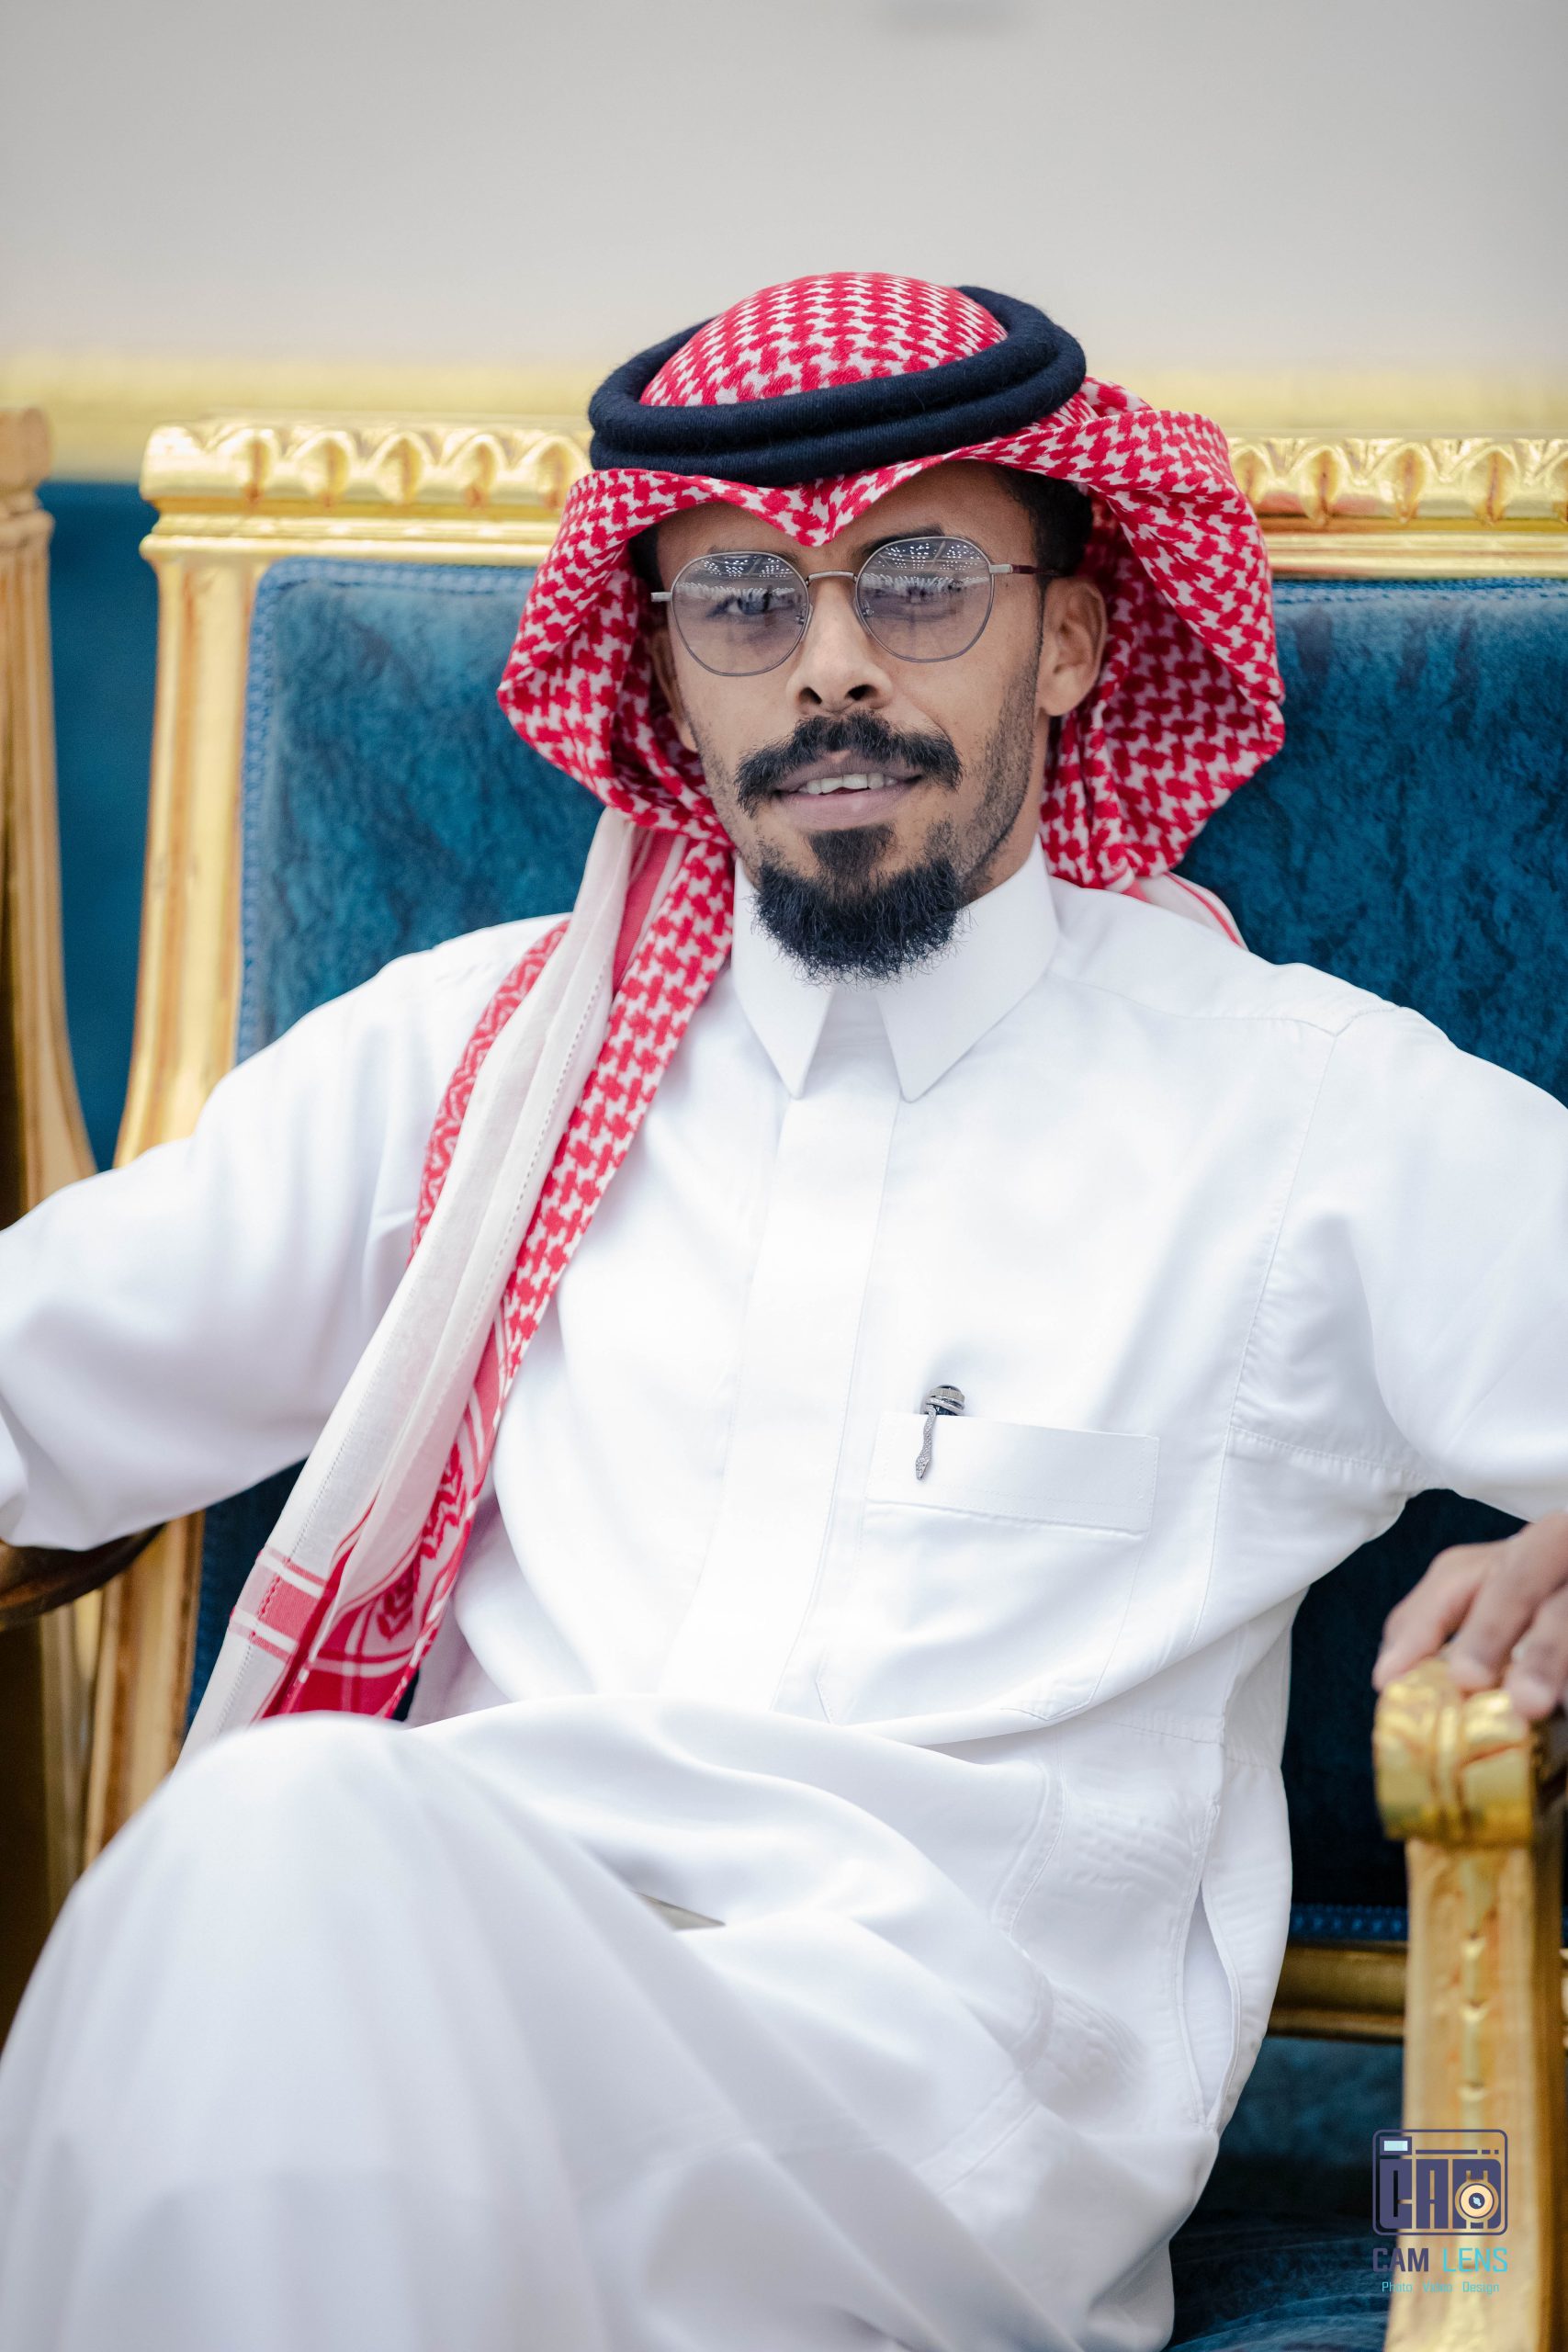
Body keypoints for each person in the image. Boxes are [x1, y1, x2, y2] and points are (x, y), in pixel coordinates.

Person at [0, 271, 1564, 2352]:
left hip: (936, 2116)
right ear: (666, 674)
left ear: (1073, 639)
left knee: (265, 1866)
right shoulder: (479, 1069)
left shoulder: (1295, 1119)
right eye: (742, 599)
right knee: (243, 1917)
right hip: (446, 1973)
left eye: (916, 583)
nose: (829, 664)